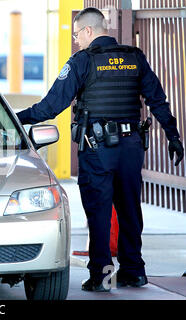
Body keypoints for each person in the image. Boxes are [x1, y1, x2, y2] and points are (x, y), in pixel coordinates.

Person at [16, 7, 184, 292]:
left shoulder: (83, 61)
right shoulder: (134, 57)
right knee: (130, 209)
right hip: (131, 149)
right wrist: (173, 136)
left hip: (97, 150)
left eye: (77, 34)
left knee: (99, 212)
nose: (76, 40)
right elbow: (158, 100)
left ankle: (102, 277)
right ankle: (134, 272)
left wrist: (15, 119)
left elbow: (51, 106)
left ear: (89, 31)